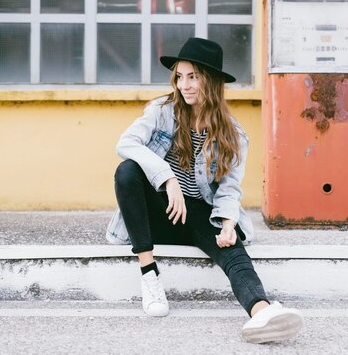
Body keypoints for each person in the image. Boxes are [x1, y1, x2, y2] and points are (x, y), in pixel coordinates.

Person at [106, 37, 303, 344]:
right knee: (127, 170)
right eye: (180, 77)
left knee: (233, 250)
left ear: (210, 81)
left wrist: (227, 224)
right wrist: (168, 179)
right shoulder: (160, 111)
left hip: (199, 216)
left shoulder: (233, 133)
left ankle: (261, 312)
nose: (184, 85)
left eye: (193, 77)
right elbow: (125, 144)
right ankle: (149, 275)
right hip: (159, 214)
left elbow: (229, 186)